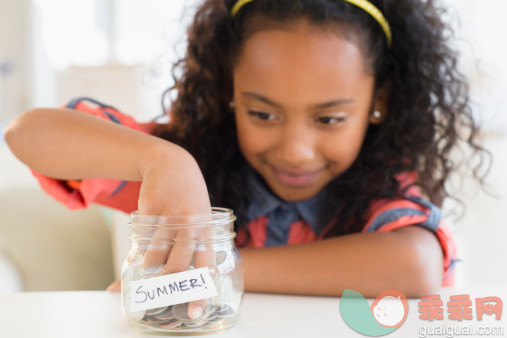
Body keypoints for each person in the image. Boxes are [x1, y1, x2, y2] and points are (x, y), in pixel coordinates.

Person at [4, 0, 488, 302]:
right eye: (263, 114)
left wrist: (212, 268)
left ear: (377, 102)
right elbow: (26, 133)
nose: (296, 151)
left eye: (329, 119)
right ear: (230, 90)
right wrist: (163, 161)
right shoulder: (186, 158)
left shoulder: (380, 182)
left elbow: (416, 265)